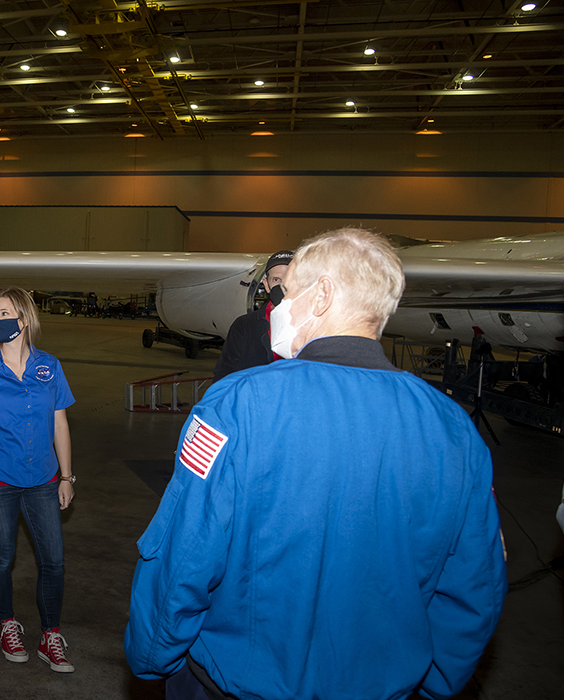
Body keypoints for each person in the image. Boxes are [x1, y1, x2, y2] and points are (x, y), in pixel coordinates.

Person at [125, 228, 507, 700]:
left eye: (287, 293)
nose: (279, 308)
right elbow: (473, 584)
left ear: (321, 295)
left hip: (238, 683)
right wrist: (432, 682)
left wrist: (151, 656)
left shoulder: (237, 405)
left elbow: (186, 549)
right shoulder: (452, 429)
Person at [0, 287, 77, 673]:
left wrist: (66, 476)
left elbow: (60, 423)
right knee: (2, 557)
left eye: (4, 312)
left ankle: (50, 635)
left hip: (43, 478)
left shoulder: (50, 366)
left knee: (54, 562)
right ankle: (7, 623)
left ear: (24, 319)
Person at [211, 249, 293, 382]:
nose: (283, 286)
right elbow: (224, 375)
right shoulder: (244, 327)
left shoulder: (316, 326)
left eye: (291, 278)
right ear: (266, 285)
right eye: (276, 279)